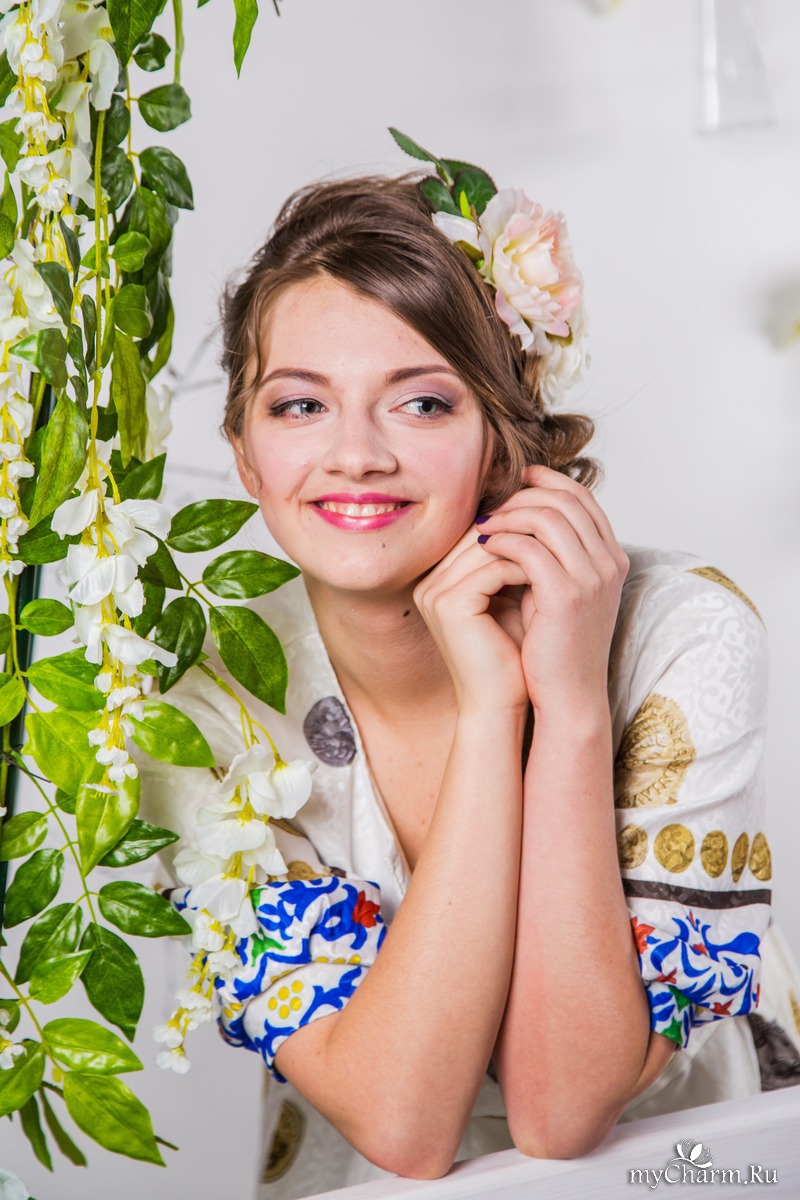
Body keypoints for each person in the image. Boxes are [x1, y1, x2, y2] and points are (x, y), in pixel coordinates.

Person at [136, 147, 800, 1198]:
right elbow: (404, 1127)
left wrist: (569, 710)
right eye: (300, 406)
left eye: (422, 403)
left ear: (501, 437)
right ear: (244, 450)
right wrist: (493, 710)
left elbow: (560, 1109)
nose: (355, 454)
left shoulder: (682, 634)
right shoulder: (201, 703)